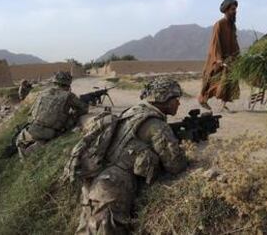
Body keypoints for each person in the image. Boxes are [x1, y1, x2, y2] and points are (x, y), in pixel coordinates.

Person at [72, 77, 187, 235]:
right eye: (176, 98)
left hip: (97, 181)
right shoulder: (156, 125)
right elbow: (176, 165)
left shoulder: (133, 112)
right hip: (114, 189)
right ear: (163, 98)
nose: (178, 103)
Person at [15, 71, 88, 158]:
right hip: (50, 133)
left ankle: (28, 149)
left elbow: (31, 112)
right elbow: (84, 109)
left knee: (20, 141)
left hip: (32, 128)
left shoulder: (44, 92)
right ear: (68, 84)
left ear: (55, 82)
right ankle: (37, 147)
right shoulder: (69, 95)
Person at [199, 0, 240, 112]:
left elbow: (234, 42)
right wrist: (219, 59)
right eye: (233, 9)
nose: (235, 11)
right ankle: (203, 99)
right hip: (218, 59)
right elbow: (215, 42)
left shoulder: (232, 26)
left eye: (235, 9)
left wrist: (238, 55)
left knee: (229, 81)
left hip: (230, 59)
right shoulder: (219, 24)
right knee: (214, 82)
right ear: (226, 10)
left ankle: (224, 105)